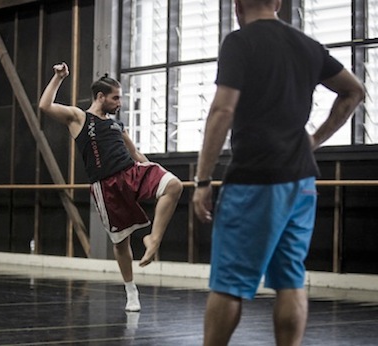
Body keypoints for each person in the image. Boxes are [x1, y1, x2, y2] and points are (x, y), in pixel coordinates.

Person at [192, 1, 364, 345]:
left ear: (237, 5)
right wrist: (314, 140)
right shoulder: (307, 45)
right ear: (278, 4)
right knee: (291, 280)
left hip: (255, 180)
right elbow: (354, 91)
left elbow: (223, 109)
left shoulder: (240, 42)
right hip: (301, 181)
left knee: (229, 284)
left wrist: (202, 180)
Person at [39, 63, 183, 311]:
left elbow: (135, 152)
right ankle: (131, 291)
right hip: (106, 187)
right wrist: (59, 77)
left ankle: (154, 238)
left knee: (174, 185)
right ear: (100, 97)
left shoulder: (118, 125)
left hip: (131, 173)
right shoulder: (79, 118)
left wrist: (151, 170)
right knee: (121, 243)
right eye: (116, 98)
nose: (120, 103)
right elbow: (45, 106)